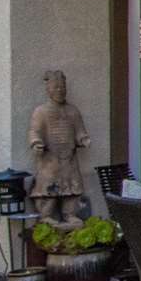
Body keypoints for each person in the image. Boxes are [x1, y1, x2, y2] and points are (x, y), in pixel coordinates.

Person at [28, 68, 92, 223]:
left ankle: (70, 214)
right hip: (50, 159)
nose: (60, 91)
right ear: (48, 90)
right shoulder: (41, 111)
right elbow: (34, 131)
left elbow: (79, 131)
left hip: (68, 158)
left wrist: (84, 140)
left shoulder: (72, 111)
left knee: (71, 189)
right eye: (56, 88)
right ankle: (46, 215)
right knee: (49, 187)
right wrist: (36, 143)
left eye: (63, 88)